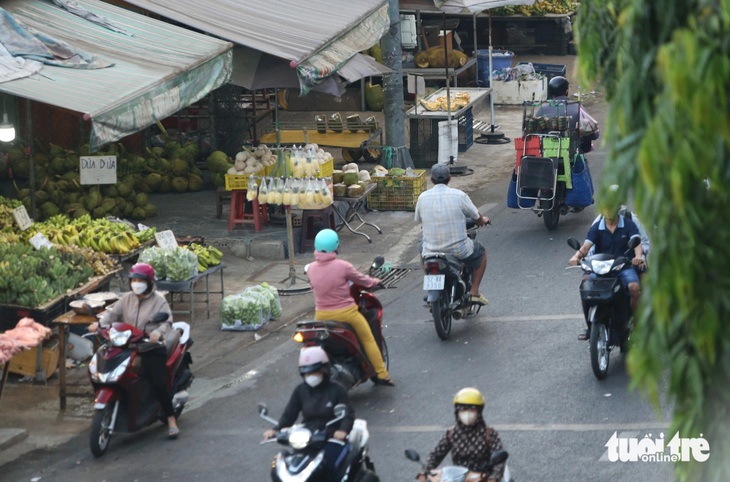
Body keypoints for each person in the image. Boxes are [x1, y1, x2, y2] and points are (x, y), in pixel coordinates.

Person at [88, 263, 179, 438]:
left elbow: (167, 322)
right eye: (134, 280)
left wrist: (157, 333)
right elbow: (112, 315)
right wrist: (99, 325)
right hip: (127, 345)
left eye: (140, 280)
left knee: (159, 383)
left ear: (149, 282)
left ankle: (170, 419)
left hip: (150, 347)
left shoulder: (159, 300)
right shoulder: (127, 299)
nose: (136, 284)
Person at [305, 229, 394, 386]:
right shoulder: (343, 266)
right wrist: (375, 281)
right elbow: (362, 280)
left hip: (321, 316)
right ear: (336, 246)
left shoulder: (310, 269)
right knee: (368, 339)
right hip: (346, 314)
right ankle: (381, 373)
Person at [263, 346, 355, 480]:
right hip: (308, 437)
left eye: (314, 372)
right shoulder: (300, 390)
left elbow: (348, 415)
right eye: (307, 373)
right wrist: (276, 430)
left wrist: (342, 431)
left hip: (332, 438)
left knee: (329, 468)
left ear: (324, 370)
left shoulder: (337, 390)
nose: (310, 376)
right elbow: (289, 415)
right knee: (282, 466)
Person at [415, 163, 491, 306]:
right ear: (449, 179)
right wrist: (483, 220)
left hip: (431, 251)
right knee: (481, 253)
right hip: (458, 250)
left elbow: (419, 219)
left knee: (421, 248)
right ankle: (474, 292)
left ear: (431, 179)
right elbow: (476, 216)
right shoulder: (459, 195)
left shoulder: (422, 197)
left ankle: (430, 282)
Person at [569, 207, 644, 340]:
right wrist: (576, 257)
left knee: (634, 288)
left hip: (623, 267)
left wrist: (638, 256)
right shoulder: (597, 227)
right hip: (601, 267)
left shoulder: (628, 224)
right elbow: (586, 247)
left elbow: (637, 244)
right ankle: (588, 325)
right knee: (585, 287)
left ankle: (636, 323)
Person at [417, 387, 506, 482]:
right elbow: (436, 454)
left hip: (483, 477)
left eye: (472, 410)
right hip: (457, 478)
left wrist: (493, 478)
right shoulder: (452, 434)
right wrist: (425, 471)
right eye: (463, 410)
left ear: (479, 412)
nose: (467, 414)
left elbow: (499, 461)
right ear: (457, 412)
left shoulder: (489, 434)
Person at [536, 76, 600, 153]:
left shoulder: (542, 109)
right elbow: (593, 134)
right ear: (566, 91)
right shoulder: (577, 107)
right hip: (571, 153)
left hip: (546, 153)